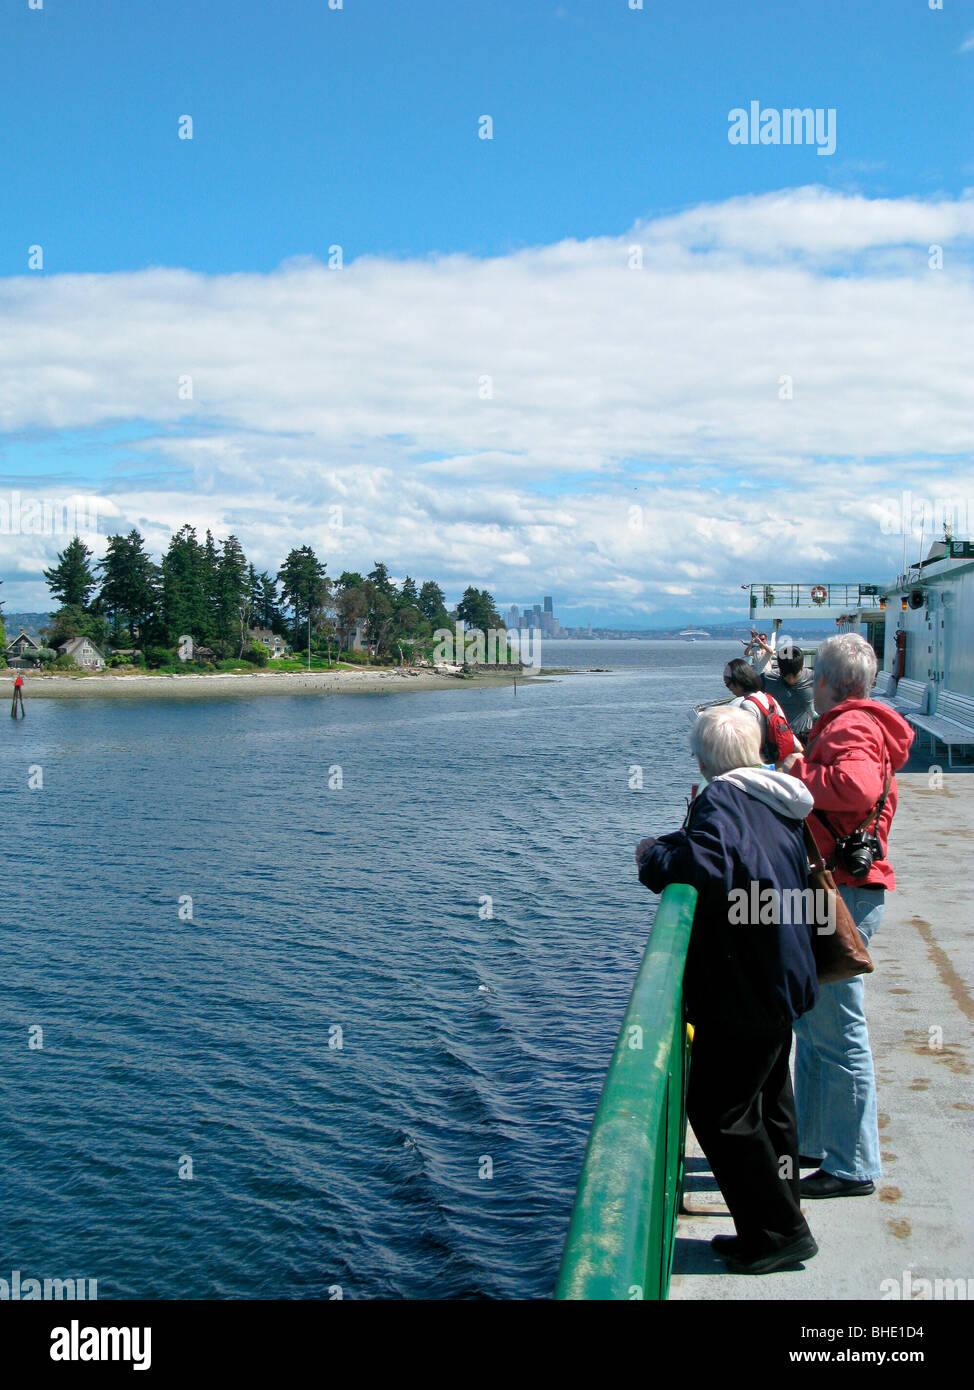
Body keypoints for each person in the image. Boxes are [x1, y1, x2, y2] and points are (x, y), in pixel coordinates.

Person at [636, 706, 819, 1274]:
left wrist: (653, 857)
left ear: (704, 758)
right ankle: (771, 1218)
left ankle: (780, 1232)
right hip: (785, 973)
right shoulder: (777, 796)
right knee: (769, 1103)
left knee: (718, 1109)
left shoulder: (722, 799)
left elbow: (704, 871)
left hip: (745, 982)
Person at [780, 633, 913, 1198]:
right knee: (814, 1027)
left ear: (831, 680)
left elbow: (855, 786)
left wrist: (794, 771)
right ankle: (812, 1142)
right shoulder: (863, 721)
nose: (812, 682)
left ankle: (853, 1165)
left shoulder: (851, 724)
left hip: (844, 893)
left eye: (817, 675)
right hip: (843, 888)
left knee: (837, 1033)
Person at [722, 658, 798, 762]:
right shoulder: (768, 698)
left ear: (738, 681)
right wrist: (800, 750)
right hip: (780, 756)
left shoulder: (747, 705)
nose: (728, 688)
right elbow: (785, 727)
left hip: (763, 760)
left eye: (728, 684)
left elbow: (750, 740)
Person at [760, 640, 816, 745]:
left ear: (803, 666)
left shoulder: (815, 678)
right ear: (779, 669)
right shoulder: (766, 679)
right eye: (785, 675)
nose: (790, 680)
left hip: (805, 737)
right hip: (779, 738)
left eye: (795, 675)